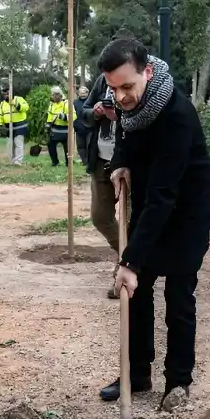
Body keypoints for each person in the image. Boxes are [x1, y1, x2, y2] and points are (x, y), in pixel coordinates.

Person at [98, 38, 210, 411]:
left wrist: (129, 260)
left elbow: (166, 193)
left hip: (185, 215)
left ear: (147, 72)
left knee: (178, 299)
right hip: (150, 206)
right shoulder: (130, 106)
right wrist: (119, 163)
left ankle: (178, 382)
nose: (120, 97)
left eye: (127, 86)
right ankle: (137, 373)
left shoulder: (176, 115)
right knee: (137, 296)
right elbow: (125, 136)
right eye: (113, 89)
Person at [80, 73, 120, 300]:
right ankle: (127, 255)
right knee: (100, 216)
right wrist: (94, 113)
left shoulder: (138, 80)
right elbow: (83, 113)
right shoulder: (102, 81)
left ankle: (124, 270)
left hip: (129, 162)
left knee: (130, 220)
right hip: (101, 161)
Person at [0, 83, 28, 165]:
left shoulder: (19, 99)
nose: (6, 95)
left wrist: (14, 103)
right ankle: (12, 160)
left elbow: (26, 107)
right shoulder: (2, 104)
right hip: (8, 127)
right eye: (4, 94)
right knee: (10, 145)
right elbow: (0, 116)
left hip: (19, 126)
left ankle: (18, 161)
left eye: (7, 93)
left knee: (18, 144)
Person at [45, 86, 69, 166]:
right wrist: (47, 126)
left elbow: (73, 116)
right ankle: (55, 162)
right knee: (50, 145)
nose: (55, 96)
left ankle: (68, 163)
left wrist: (64, 116)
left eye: (57, 94)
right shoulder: (51, 105)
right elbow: (49, 116)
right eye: (53, 95)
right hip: (54, 130)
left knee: (67, 149)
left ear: (61, 95)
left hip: (65, 130)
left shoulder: (66, 104)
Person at [74, 85, 90, 168]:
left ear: (88, 93)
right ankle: (84, 161)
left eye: (84, 92)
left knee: (89, 145)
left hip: (90, 129)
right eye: (81, 92)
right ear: (78, 93)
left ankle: (90, 161)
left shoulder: (91, 102)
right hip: (79, 129)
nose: (83, 94)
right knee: (80, 146)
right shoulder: (75, 103)